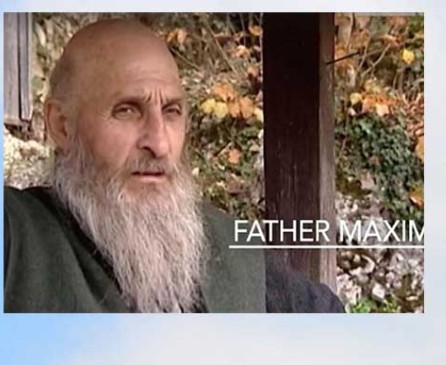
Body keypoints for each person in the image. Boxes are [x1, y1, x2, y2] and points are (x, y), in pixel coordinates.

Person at [3, 19, 343, 313]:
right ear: (61, 125)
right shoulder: (18, 237)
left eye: (172, 111)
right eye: (127, 110)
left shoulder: (231, 248)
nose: (160, 143)